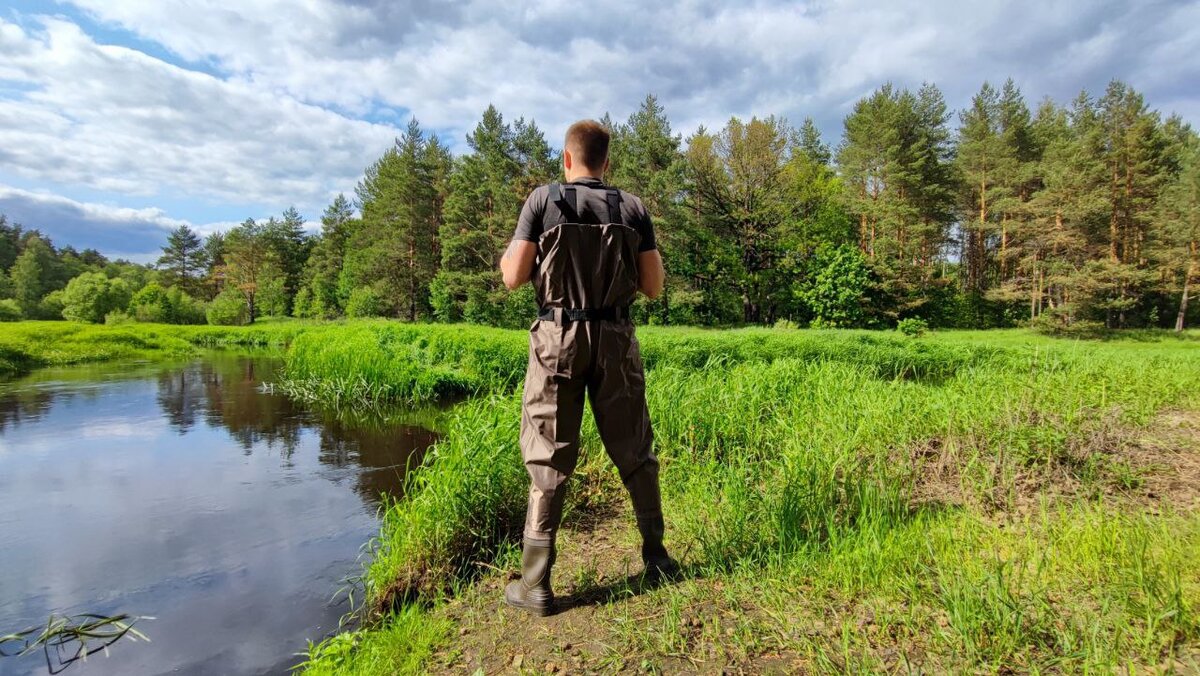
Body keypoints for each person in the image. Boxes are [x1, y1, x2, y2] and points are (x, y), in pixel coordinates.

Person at [498, 119, 679, 616]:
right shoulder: (633, 208)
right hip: (616, 339)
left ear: (566, 158)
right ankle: (657, 556)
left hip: (557, 339)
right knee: (635, 447)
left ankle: (535, 585)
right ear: (607, 162)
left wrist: (508, 256)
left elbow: (513, 277)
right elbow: (653, 287)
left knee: (547, 453)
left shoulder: (543, 201)